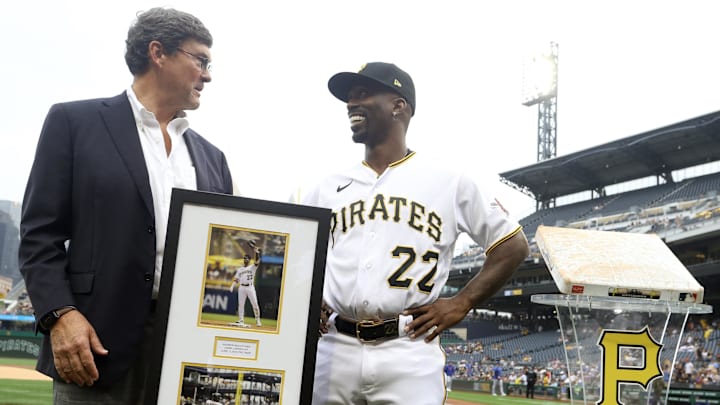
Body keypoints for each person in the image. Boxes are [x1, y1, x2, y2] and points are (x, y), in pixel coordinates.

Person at [18, 7, 233, 404]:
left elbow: (223, 260)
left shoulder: (212, 158)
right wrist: (59, 315)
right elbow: (38, 237)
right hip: (94, 347)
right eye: (201, 60)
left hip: (186, 355)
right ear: (158, 52)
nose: (207, 74)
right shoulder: (73, 123)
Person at [299, 62, 529, 404]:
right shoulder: (326, 188)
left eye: (363, 93)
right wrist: (309, 294)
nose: (351, 103)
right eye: (349, 97)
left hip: (408, 348)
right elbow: (299, 255)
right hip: (335, 346)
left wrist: (462, 302)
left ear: (398, 105)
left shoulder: (448, 181)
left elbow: (512, 245)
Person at [229, 243, 263, 327]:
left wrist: (256, 253)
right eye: (244, 258)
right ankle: (241, 320)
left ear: (249, 259)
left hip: (250, 287)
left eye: (247, 258)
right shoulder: (240, 269)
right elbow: (236, 279)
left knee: (255, 304)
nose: (245, 259)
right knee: (241, 304)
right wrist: (232, 286)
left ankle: (257, 319)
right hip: (242, 287)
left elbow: (257, 261)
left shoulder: (252, 267)